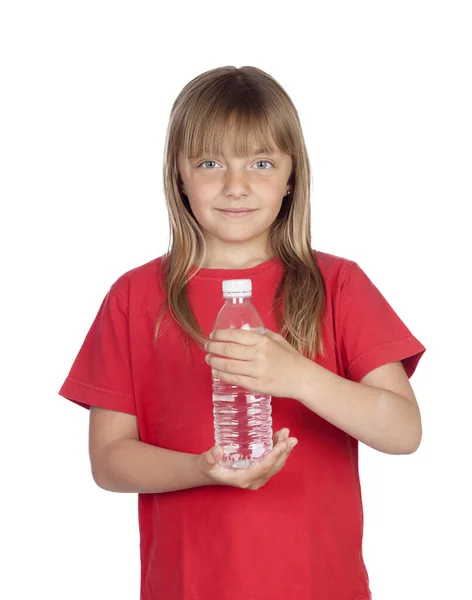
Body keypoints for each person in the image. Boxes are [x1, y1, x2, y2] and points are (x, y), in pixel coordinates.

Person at [58, 65, 426, 600]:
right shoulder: (134, 296)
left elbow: (404, 432)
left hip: (320, 586)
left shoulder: (338, 284)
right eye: (210, 163)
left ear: (291, 175)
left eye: (261, 163)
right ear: (178, 175)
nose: (236, 186)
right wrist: (198, 470)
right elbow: (108, 462)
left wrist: (300, 377)